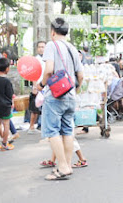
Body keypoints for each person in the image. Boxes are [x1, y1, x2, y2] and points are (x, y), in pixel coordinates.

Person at [40, 18, 84, 181]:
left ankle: (63, 166)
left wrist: (41, 84)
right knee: (67, 131)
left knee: (52, 131)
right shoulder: (73, 48)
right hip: (71, 95)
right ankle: (67, 165)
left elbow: (49, 70)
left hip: (55, 96)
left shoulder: (51, 45)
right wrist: (75, 91)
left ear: (52, 32)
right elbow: (81, 75)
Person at [28, 41, 46, 134]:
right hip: (38, 85)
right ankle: (31, 126)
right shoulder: (35, 60)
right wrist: (35, 86)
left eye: (43, 47)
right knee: (35, 108)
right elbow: (33, 74)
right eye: (39, 47)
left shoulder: (48, 59)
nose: (41, 48)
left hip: (46, 86)